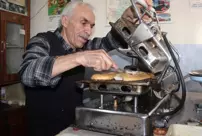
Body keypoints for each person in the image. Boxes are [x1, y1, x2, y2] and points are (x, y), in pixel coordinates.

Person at [19, 0, 153, 136]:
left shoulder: (82, 47)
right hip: (44, 130)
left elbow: (110, 41)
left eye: (91, 26)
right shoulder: (42, 41)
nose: (88, 31)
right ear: (65, 21)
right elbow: (27, 72)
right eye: (83, 23)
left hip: (72, 128)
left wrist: (127, 18)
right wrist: (78, 58)